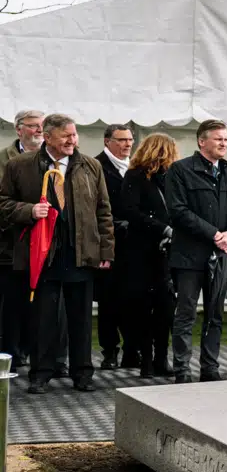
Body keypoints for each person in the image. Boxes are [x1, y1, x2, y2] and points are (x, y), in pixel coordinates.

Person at [0, 114, 115, 394]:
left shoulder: (90, 166)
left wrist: (106, 250)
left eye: (74, 135)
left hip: (80, 254)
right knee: (42, 319)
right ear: (48, 137)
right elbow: (3, 202)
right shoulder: (20, 166)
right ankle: (40, 373)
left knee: (81, 319)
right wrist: (28, 211)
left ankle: (82, 373)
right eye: (66, 136)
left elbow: (103, 210)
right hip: (42, 256)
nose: (72, 141)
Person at [165, 120, 227, 383]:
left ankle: (210, 368)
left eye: (226, 138)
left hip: (221, 255)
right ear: (202, 141)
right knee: (186, 313)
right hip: (189, 256)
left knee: (215, 313)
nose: (224, 143)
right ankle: (182, 370)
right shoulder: (180, 170)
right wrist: (214, 235)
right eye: (218, 139)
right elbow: (178, 211)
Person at [118, 133, 180, 378]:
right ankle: (146, 358)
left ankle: (161, 357)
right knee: (143, 307)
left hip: (163, 250)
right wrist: (162, 228)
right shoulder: (135, 177)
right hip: (141, 251)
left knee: (165, 306)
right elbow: (130, 211)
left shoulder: (169, 179)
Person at [0, 110, 44, 368]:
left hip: (42, 242)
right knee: (13, 303)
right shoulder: (5, 159)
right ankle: (12, 354)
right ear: (19, 130)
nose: (39, 130)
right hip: (10, 242)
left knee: (37, 301)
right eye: (33, 126)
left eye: (42, 125)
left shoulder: (48, 158)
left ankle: (32, 350)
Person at [96, 124, 135, 369]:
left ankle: (132, 349)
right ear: (107, 141)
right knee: (108, 301)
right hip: (109, 242)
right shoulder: (96, 165)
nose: (127, 144)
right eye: (122, 140)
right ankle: (109, 351)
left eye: (130, 140)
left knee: (133, 299)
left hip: (135, 245)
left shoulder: (136, 166)